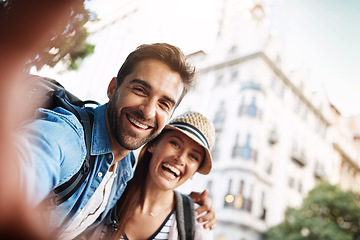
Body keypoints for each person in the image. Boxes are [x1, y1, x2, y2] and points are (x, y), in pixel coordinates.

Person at [14, 43, 216, 239]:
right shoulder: (65, 136)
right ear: (112, 88)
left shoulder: (124, 169)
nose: (147, 111)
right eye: (140, 90)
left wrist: (187, 207)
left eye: (163, 104)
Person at [78, 111, 215, 240]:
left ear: (194, 172)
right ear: (153, 144)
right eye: (175, 144)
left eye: (193, 156)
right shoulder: (108, 192)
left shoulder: (198, 221)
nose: (180, 159)